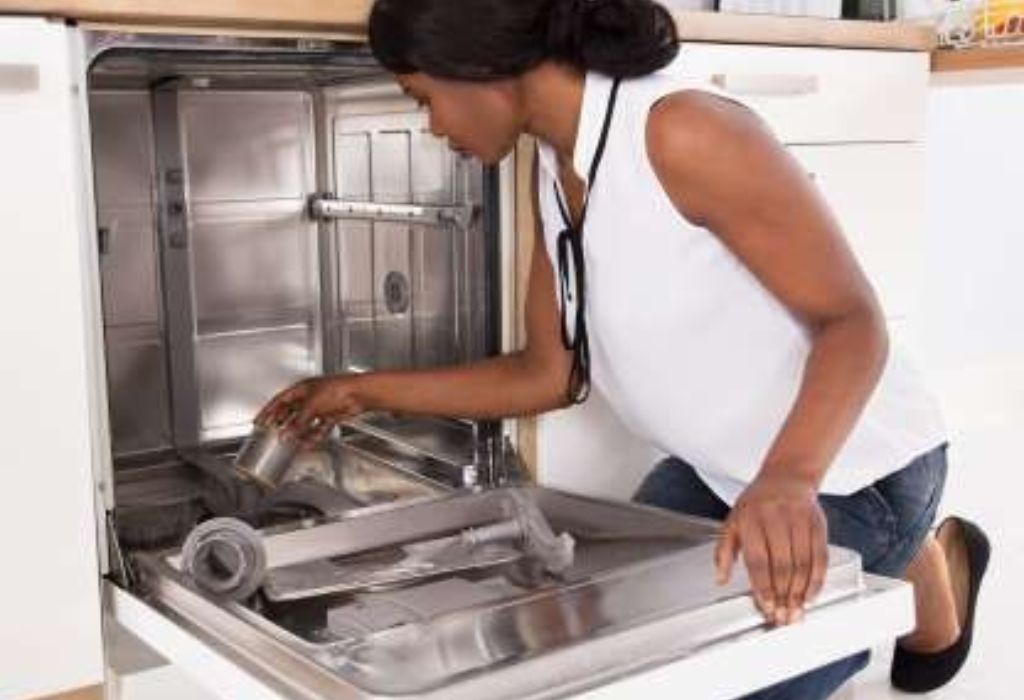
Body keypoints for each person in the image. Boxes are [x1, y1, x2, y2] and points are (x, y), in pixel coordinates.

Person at [256, 0, 990, 696]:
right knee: (599, 660)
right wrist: (356, 392)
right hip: (718, 471)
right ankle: (913, 559)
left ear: (480, 64)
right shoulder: (554, 167)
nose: (431, 125)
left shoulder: (681, 131)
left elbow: (852, 321)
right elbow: (547, 373)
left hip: (846, 471)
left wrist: (789, 481)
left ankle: (916, 542)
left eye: (423, 98)